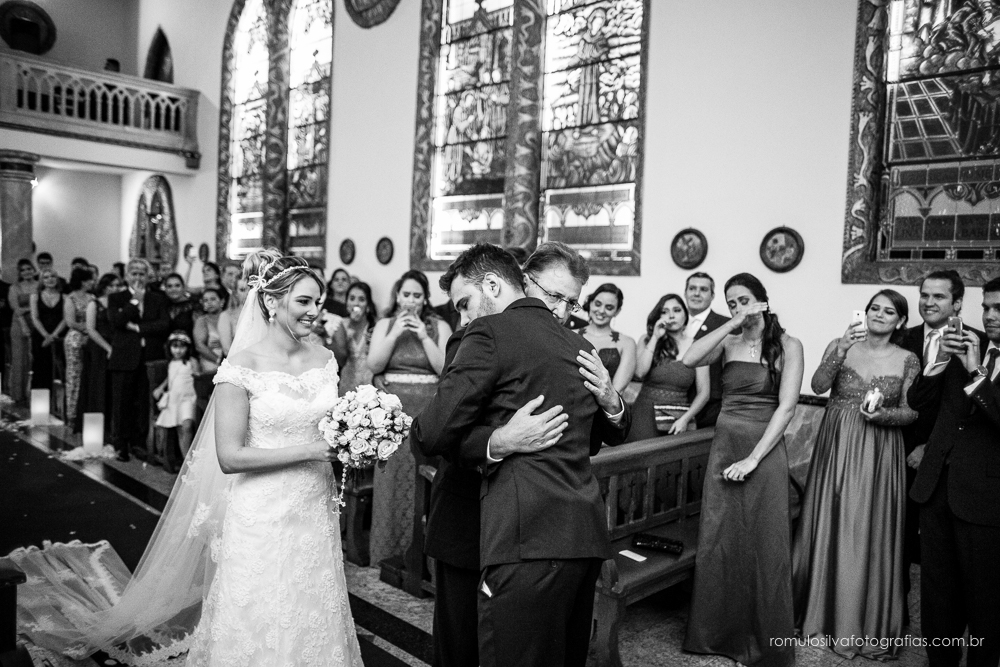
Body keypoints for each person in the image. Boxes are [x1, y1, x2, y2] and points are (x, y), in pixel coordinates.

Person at [9, 250, 364, 666]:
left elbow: (328, 426)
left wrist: (358, 439)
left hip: (314, 503)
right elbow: (230, 456)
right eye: (303, 301)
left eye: (317, 302)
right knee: (262, 605)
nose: (314, 311)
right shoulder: (241, 367)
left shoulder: (324, 359)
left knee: (313, 597)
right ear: (271, 301)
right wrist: (312, 451)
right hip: (262, 508)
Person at [410, 242, 631, 667]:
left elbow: (586, 438)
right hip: (471, 518)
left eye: (571, 302)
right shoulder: (478, 330)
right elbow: (450, 428)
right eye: (554, 296)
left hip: (530, 526)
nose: (562, 310)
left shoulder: (574, 346)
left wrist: (611, 399)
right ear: (524, 282)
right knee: (464, 646)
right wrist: (499, 441)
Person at [681, 272, 803, 667]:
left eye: (744, 300)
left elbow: (787, 408)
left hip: (763, 452)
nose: (738, 307)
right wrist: (730, 324)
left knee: (764, 543)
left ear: (762, 301)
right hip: (724, 447)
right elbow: (689, 359)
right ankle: (718, 635)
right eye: (731, 302)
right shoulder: (729, 341)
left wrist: (753, 459)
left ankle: (763, 642)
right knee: (721, 538)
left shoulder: (788, 345)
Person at [792, 289, 919, 659]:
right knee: (828, 521)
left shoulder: (908, 359)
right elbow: (817, 386)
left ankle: (859, 621)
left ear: (900, 321)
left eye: (889, 311)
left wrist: (883, 415)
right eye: (874, 308)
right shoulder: (840, 344)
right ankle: (817, 614)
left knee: (865, 527)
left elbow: (911, 411)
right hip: (835, 446)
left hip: (879, 451)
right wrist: (841, 349)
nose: (879, 314)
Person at [907, 277, 999, 667]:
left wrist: (977, 372)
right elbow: (917, 402)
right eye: (987, 307)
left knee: (985, 600)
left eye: (999, 309)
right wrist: (940, 361)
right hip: (937, 488)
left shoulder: (977, 357)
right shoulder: (964, 343)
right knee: (938, 596)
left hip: (987, 498)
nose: (990, 315)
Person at [367, 269, 451, 568]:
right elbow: (374, 364)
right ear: (398, 296)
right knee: (391, 478)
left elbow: (445, 369)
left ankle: (421, 558)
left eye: (417, 295)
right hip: (393, 413)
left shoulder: (439, 325)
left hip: (426, 411)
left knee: (422, 479)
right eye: (406, 295)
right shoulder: (385, 324)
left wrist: (424, 336)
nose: (411, 301)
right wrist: (394, 334)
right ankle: (388, 551)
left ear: (425, 298)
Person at [897, 269, 964, 621]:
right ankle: (895, 616)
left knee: (941, 552)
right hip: (897, 452)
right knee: (897, 538)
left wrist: (930, 447)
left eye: (939, 296)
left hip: (947, 460)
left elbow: (962, 409)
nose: (928, 302)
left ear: (958, 303)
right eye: (924, 295)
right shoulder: (901, 337)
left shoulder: (975, 342)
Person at [107, 259, 170, 462]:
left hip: (149, 357)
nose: (138, 277)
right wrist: (134, 302)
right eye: (134, 273)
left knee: (143, 402)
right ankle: (121, 444)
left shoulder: (157, 298)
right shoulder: (117, 298)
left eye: (142, 274)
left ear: (148, 276)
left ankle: (139, 443)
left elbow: (164, 324)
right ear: (127, 276)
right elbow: (117, 321)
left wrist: (138, 328)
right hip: (124, 357)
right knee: (122, 402)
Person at [629, 294, 710, 440]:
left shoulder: (698, 346)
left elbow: (704, 393)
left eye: (677, 310)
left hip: (679, 418)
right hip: (644, 415)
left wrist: (685, 419)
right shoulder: (647, 339)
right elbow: (640, 373)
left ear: (686, 314)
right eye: (665, 312)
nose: (671, 316)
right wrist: (655, 337)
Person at [77, 273, 123, 436]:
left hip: (117, 345)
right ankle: (96, 427)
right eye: (112, 285)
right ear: (104, 287)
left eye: (118, 285)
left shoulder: (121, 303)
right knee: (98, 386)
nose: (115, 289)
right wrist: (108, 348)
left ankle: (111, 426)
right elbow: (90, 329)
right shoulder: (94, 304)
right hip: (98, 347)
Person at [685, 272, 730, 427]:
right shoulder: (675, 322)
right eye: (692, 288)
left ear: (712, 296)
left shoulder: (726, 325)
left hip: (713, 406)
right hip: (678, 401)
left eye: (703, 289)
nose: (696, 293)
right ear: (685, 293)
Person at [152, 331, 200, 471]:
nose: (178, 350)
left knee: (187, 425)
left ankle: (190, 459)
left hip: (188, 398)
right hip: (175, 399)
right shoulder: (171, 363)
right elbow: (170, 377)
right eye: (175, 346)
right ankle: (187, 461)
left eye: (182, 347)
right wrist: (161, 388)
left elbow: (198, 378)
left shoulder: (192, 362)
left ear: (188, 348)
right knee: (179, 428)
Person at [577, 283, 636, 393]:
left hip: (607, 401)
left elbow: (616, 391)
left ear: (617, 311)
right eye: (598, 304)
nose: (601, 310)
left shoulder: (627, 343)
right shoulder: (571, 334)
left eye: (609, 307)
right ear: (590, 303)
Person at [63, 268, 96, 430]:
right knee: (74, 375)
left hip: (90, 337)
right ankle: (72, 414)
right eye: (90, 280)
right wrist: (87, 328)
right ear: (83, 281)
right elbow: (70, 322)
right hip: (76, 338)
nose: (92, 282)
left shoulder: (92, 298)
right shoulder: (71, 298)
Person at [330, 281, 376, 395]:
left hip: (370, 384)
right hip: (347, 384)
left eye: (361, 299)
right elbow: (339, 360)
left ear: (368, 304)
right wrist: (350, 327)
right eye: (352, 298)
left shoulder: (375, 326)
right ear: (347, 303)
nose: (356, 303)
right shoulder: (340, 325)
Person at [29, 269, 66, 390]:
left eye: (53, 276)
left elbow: (65, 319)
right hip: (40, 335)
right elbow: (35, 318)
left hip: (59, 335)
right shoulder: (35, 296)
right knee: (40, 367)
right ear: (42, 281)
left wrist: (53, 336)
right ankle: (40, 397)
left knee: (59, 367)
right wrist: (46, 335)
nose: (50, 279)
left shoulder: (65, 297)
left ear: (57, 279)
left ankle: (58, 398)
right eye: (46, 277)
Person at [7, 259, 37, 404]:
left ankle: (34, 394)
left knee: (34, 359)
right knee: (19, 359)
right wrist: (24, 326)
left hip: (37, 323)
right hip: (19, 324)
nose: (26, 272)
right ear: (19, 273)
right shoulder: (15, 287)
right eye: (23, 270)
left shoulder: (39, 285)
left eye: (29, 269)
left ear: (33, 269)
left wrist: (30, 309)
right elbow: (17, 309)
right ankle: (18, 395)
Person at [193, 288, 225, 372]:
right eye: (205, 300)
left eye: (213, 299)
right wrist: (219, 361)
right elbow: (199, 346)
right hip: (212, 362)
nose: (209, 303)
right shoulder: (201, 321)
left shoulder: (230, 317)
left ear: (222, 301)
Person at [218, 277, 248, 356]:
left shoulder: (269, 314)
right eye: (242, 290)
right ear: (236, 293)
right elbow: (227, 350)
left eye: (251, 289)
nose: (248, 293)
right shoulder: (226, 316)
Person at [162, 272, 196, 339]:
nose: (173, 289)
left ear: (183, 287)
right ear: (165, 289)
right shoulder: (162, 306)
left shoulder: (193, 306)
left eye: (177, 285)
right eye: (169, 286)